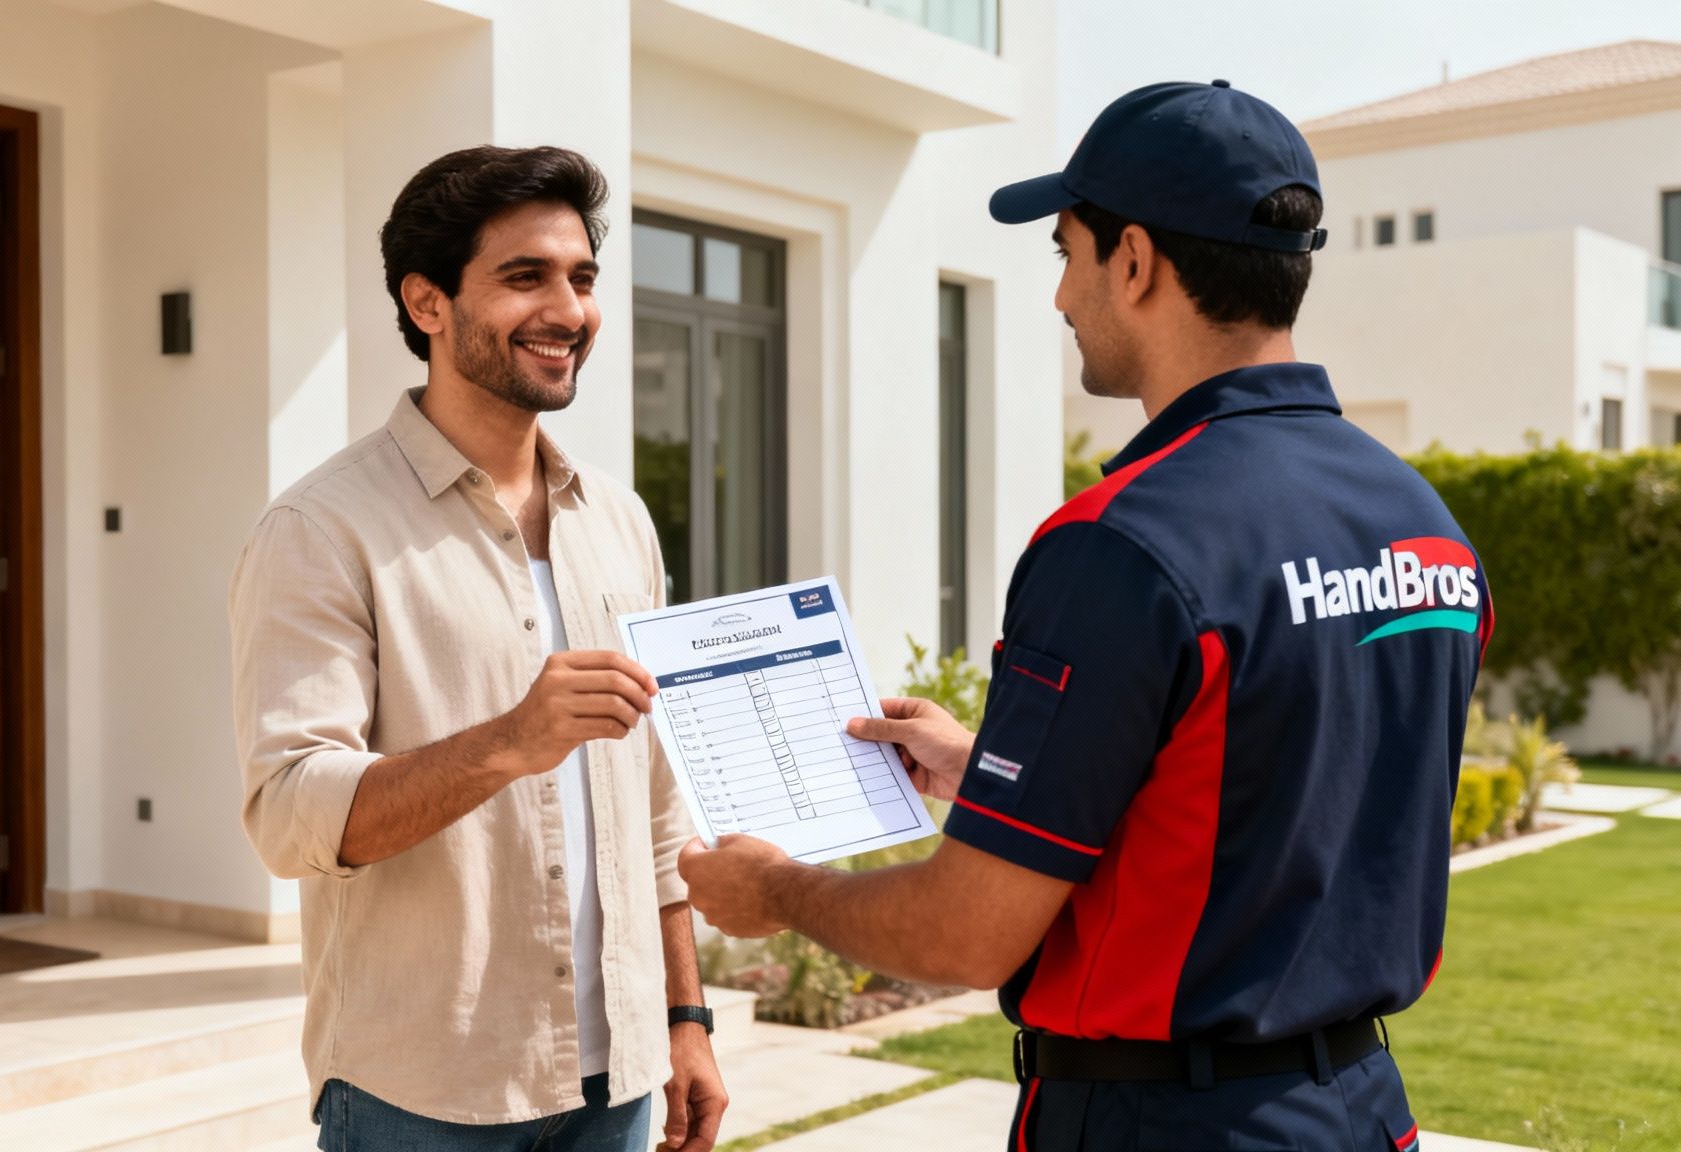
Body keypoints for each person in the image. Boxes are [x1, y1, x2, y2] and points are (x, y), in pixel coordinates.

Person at [679, 81, 1490, 1151]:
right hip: (1356, 1110)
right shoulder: (1419, 525)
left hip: (1163, 1123)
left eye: (1064, 252)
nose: (1060, 296)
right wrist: (988, 762)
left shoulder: (1122, 543)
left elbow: (965, 935)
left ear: (1137, 261)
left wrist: (775, 889)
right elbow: (1268, 784)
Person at [230, 145, 727, 1152]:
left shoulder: (618, 521)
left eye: (581, 277)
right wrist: (507, 742)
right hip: (425, 1091)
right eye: (524, 276)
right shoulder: (322, 530)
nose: (569, 309)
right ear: (427, 304)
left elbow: (655, 798)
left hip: (620, 1083)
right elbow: (288, 816)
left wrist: (685, 1018)